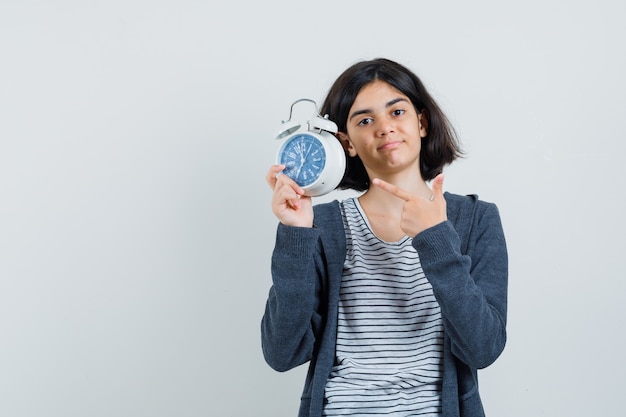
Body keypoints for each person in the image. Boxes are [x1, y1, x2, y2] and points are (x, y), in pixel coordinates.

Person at [261, 58, 508, 417]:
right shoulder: (322, 224)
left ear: (421, 123)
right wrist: (296, 235)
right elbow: (282, 354)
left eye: (397, 112)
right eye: (365, 120)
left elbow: (483, 348)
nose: (384, 128)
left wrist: (436, 240)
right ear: (346, 143)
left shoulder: (475, 219)